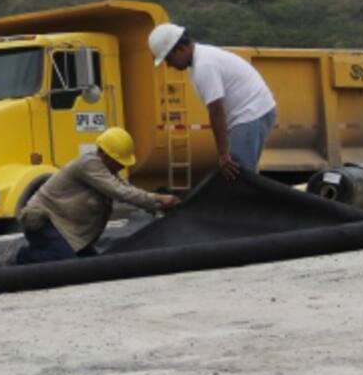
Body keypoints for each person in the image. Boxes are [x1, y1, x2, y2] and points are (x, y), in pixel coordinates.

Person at [15, 127, 178, 265]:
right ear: (105, 155)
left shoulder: (107, 169)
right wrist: (158, 198)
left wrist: (156, 206)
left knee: (93, 267)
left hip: (68, 233)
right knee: (68, 267)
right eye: (119, 161)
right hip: (43, 223)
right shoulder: (89, 165)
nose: (122, 166)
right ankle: (22, 258)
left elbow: (126, 188)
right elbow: (119, 192)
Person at [149, 23, 277, 180]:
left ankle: (251, 204)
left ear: (181, 49)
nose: (169, 65)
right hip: (252, 113)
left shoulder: (204, 65)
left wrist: (223, 154)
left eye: (168, 59)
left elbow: (216, 110)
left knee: (237, 175)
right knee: (241, 175)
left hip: (251, 114)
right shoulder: (200, 60)